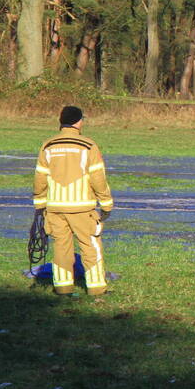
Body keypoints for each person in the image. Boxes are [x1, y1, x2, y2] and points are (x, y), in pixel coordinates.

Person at [32, 106, 114, 296]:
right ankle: (97, 289)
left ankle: (63, 287)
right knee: (90, 246)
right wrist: (106, 204)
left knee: (61, 248)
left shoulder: (48, 146)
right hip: (82, 208)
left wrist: (39, 204)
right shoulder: (88, 145)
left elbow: (40, 178)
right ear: (79, 121)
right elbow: (98, 179)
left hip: (55, 208)